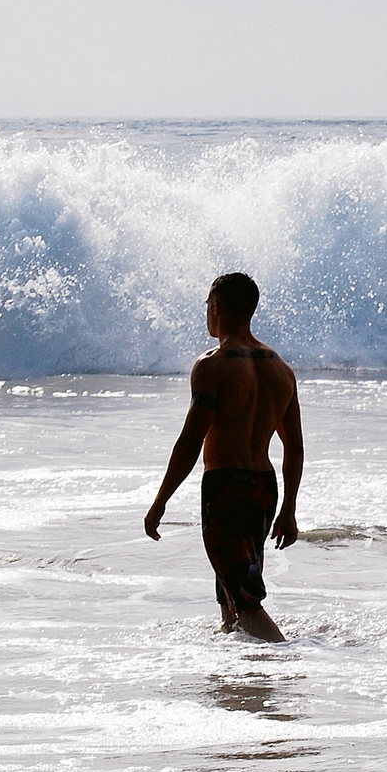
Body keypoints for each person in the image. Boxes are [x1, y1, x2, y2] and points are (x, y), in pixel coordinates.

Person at [144, 273, 302, 642]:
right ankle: (241, 682)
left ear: (216, 308)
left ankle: (287, 665)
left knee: (245, 601)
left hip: (226, 489)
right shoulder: (281, 369)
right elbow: (294, 447)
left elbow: (190, 442)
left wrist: (160, 502)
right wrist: (289, 510)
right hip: (264, 490)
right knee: (230, 591)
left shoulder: (212, 365)